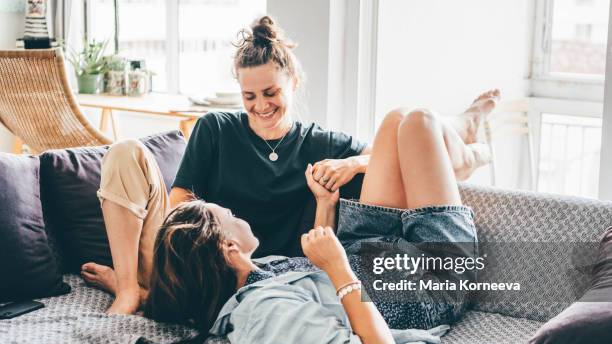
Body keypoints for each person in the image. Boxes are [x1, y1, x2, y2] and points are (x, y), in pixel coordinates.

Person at [80, 15, 498, 315]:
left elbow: (392, 164)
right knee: (124, 151)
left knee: (408, 126)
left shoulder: (323, 144)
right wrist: (196, 251)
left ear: (292, 81)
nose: (260, 106)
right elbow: (181, 211)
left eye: (270, 92)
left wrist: (353, 163)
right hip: (204, 260)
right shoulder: (216, 129)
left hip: (269, 272)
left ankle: (466, 142)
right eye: (249, 97)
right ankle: (132, 289)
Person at [143, 86, 498, 344]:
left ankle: (460, 143)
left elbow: (315, 277)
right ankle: (465, 153)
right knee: (420, 122)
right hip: (427, 282)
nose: (235, 213)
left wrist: (325, 207)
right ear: (228, 248)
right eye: (227, 215)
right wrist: (339, 269)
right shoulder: (263, 316)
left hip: (368, 248)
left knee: (397, 120)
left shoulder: (252, 275)